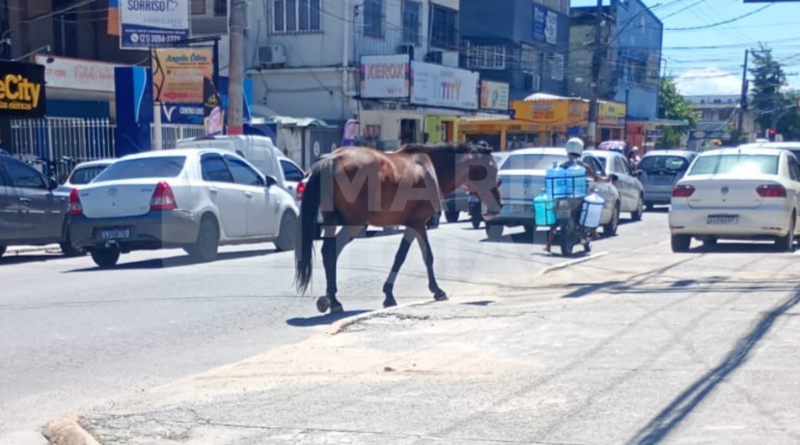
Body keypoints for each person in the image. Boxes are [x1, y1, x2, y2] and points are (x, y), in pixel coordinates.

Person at [544, 137, 609, 254]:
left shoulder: (562, 166)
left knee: (555, 219)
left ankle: (548, 245)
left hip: (562, 196)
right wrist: (607, 179)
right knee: (592, 206)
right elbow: (596, 178)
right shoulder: (584, 166)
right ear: (580, 150)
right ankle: (593, 231)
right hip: (578, 197)